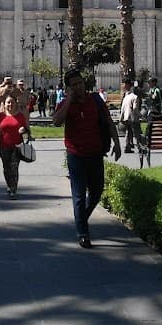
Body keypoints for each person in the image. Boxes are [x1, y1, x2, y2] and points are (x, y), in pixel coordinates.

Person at [52, 69, 121, 248]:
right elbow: (57, 122)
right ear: (69, 88)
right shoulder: (66, 104)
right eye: (74, 85)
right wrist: (69, 100)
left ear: (84, 83)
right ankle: (83, 233)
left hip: (95, 153)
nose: (78, 86)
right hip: (76, 155)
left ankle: (81, 218)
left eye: (80, 83)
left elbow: (108, 121)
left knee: (97, 191)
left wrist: (117, 142)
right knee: (79, 195)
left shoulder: (95, 100)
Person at [0, 91, 31, 199]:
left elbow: (27, 131)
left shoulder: (20, 116)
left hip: (17, 147)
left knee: (14, 168)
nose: (10, 104)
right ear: (4, 104)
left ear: (16, 104)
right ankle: (9, 185)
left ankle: (13, 189)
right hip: (3, 146)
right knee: (6, 168)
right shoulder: (0, 116)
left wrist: (24, 130)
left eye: (12, 102)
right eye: (8, 102)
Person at [119, 80, 140, 153]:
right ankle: (140, 147)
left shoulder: (126, 97)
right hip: (133, 117)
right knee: (136, 133)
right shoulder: (135, 97)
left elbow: (122, 109)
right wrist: (139, 115)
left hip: (126, 117)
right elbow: (135, 108)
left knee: (128, 132)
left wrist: (121, 118)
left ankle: (127, 146)